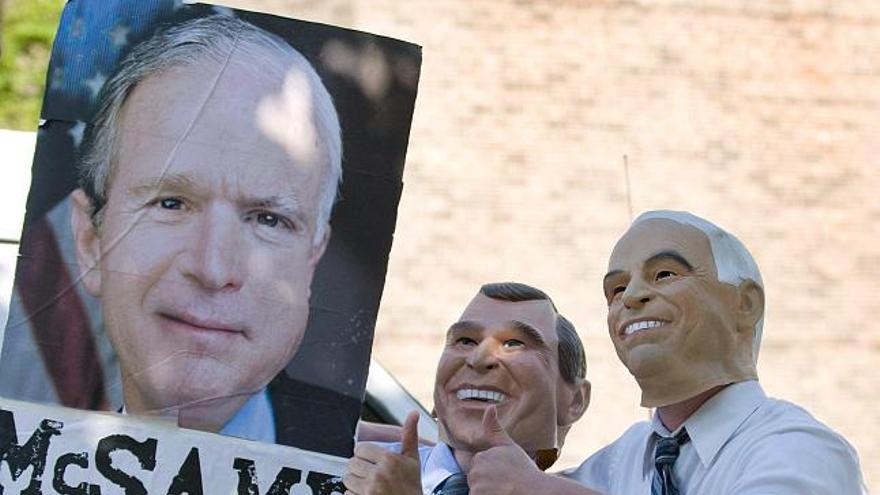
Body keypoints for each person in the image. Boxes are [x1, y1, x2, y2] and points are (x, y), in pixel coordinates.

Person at [69, 14, 342, 443]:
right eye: (171, 203)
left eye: (269, 219)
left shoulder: (385, 472)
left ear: (312, 260)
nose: (213, 269)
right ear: (90, 240)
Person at [462, 211, 867, 494]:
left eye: (665, 274)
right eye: (616, 289)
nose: (632, 297)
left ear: (745, 304)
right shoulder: (617, 464)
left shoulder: (802, 450)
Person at [344, 282, 591, 495]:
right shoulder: (349, 466)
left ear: (574, 401)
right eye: (465, 340)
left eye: (514, 343)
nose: (479, 358)